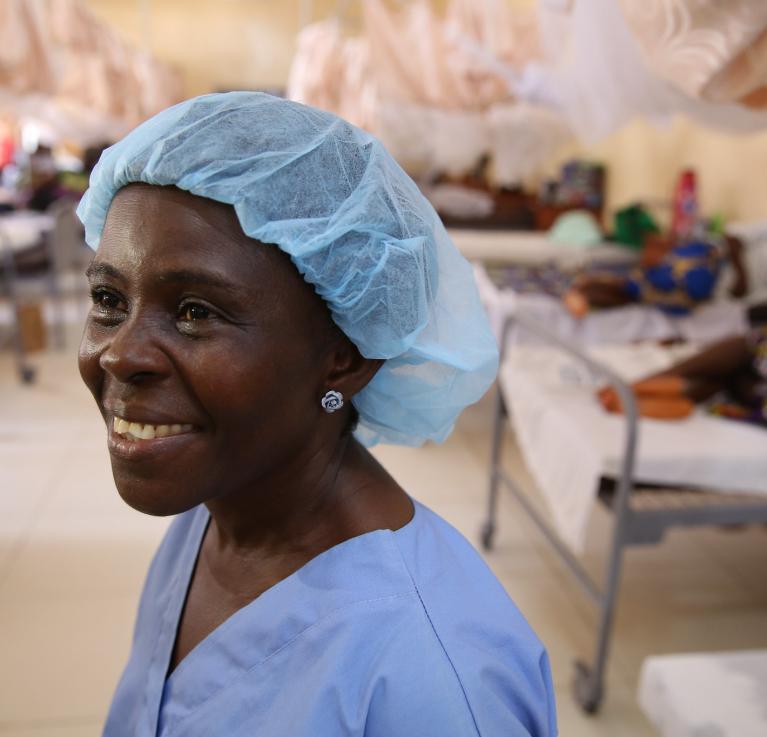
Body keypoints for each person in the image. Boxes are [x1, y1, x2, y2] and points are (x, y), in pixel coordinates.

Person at [76, 93, 557, 737]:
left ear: (344, 360)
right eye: (109, 298)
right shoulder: (214, 512)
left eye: (196, 311)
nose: (120, 354)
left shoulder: (436, 679)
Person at [598, 328, 767, 425]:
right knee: (723, 370)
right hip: (745, 376)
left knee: (741, 349)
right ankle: (633, 395)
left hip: (754, 395)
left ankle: (631, 392)